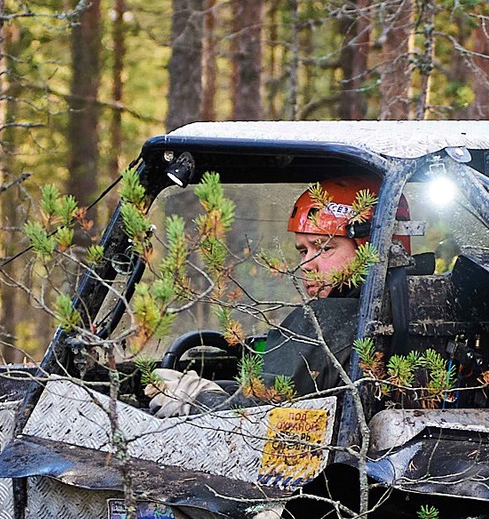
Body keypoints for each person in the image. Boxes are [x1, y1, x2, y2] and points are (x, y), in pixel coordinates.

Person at [147, 178, 375, 416]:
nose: (307, 265)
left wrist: (194, 396)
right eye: (303, 251)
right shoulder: (398, 311)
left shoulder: (326, 319)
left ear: (367, 249)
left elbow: (259, 414)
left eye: (325, 248)